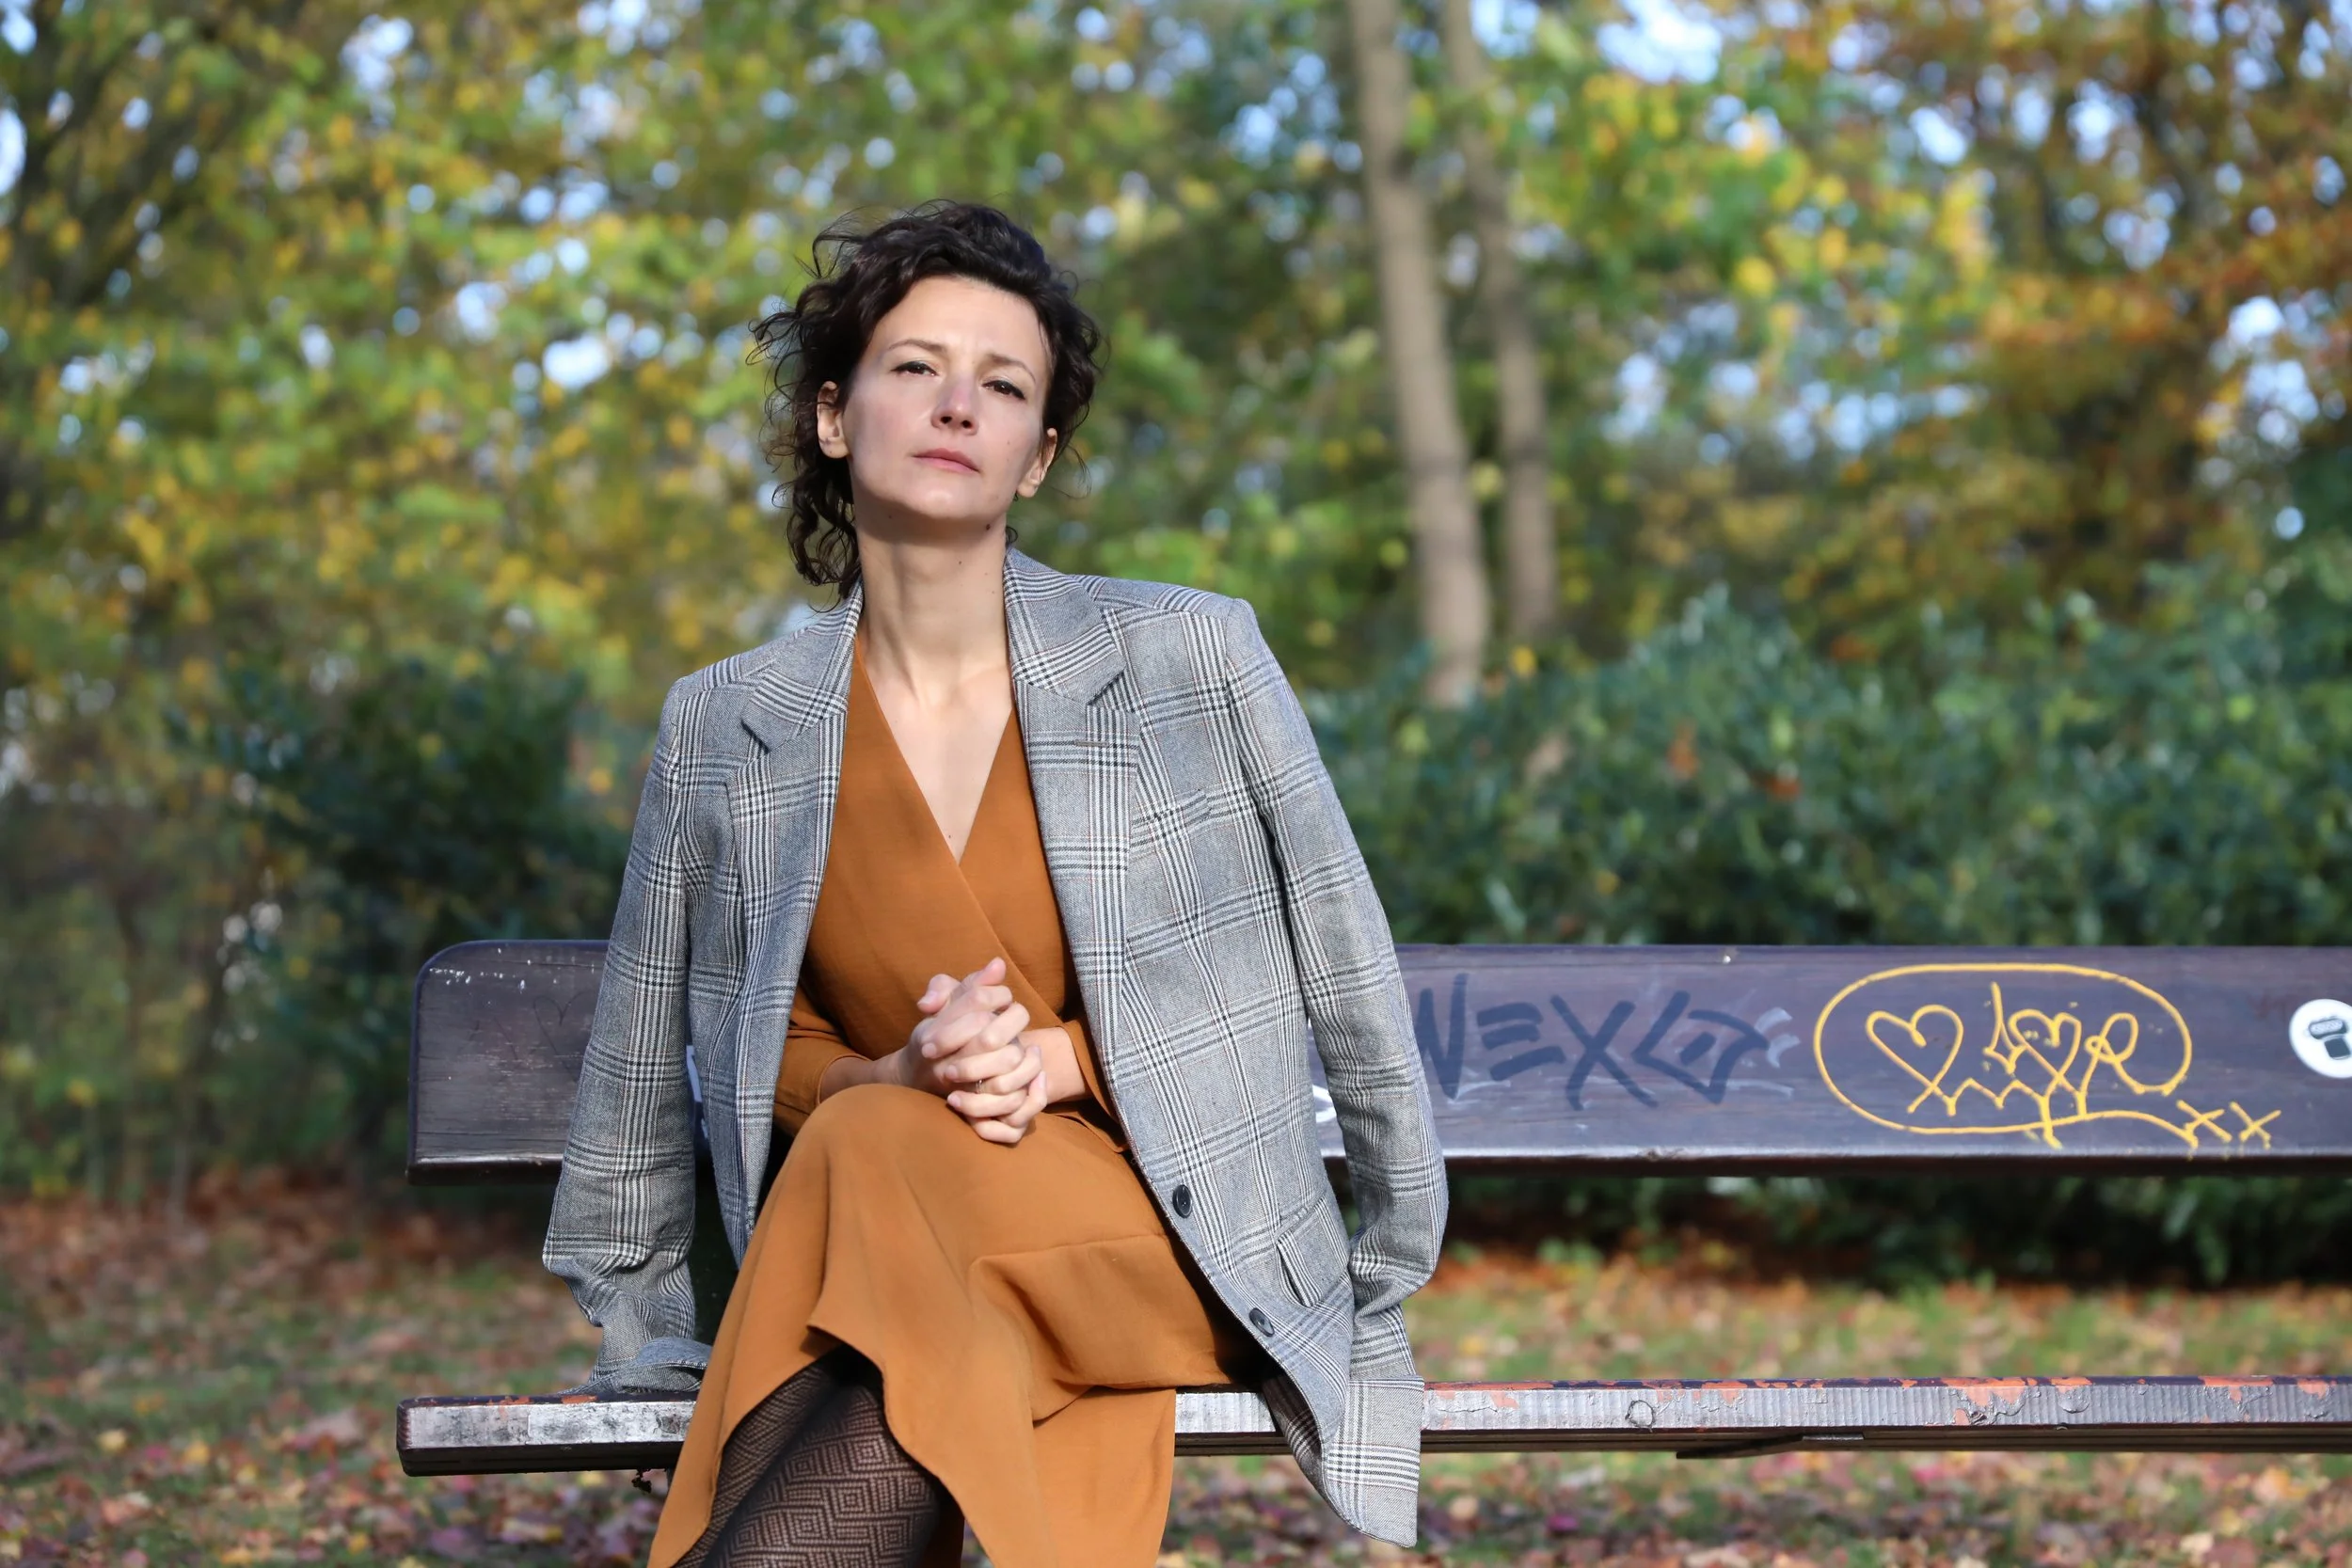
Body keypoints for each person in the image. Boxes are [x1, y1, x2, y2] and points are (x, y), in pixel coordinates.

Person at [540, 200, 1446, 1568]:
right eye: (916, 366)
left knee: (865, 1163)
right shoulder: (726, 723)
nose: (959, 403)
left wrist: (1070, 1061)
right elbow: (665, 1058)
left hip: (1164, 1235)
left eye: (1005, 386)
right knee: (873, 1161)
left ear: (1038, 458)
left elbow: (1330, 967)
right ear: (834, 417)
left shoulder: (1189, 658)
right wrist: (889, 1075)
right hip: (891, 1241)